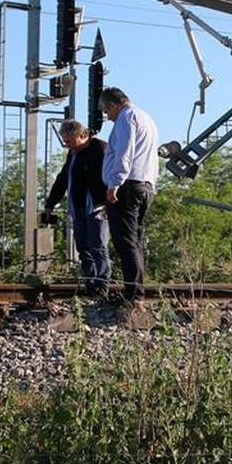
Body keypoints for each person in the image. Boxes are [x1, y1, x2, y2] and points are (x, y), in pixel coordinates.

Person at [99, 86, 159, 305]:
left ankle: (133, 294)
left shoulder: (126, 118)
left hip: (127, 186)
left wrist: (114, 184)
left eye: (107, 112)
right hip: (145, 185)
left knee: (126, 241)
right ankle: (136, 291)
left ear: (113, 104)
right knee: (135, 241)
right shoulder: (147, 118)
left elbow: (125, 152)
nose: (108, 117)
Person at [42, 119, 111, 297]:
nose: (68, 145)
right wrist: (50, 204)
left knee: (98, 247)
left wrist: (107, 203)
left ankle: (102, 286)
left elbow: (112, 176)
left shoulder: (101, 149)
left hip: (97, 207)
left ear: (82, 136)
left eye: (70, 141)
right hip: (78, 207)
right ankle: (90, 285)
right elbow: (63, 179)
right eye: (65, 142)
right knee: (83, 248)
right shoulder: (73, 154)